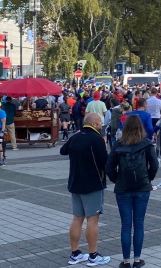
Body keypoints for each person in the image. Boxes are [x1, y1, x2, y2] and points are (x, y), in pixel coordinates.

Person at [105, 115, 158, 268]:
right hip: (142, 187)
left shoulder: (118, 144)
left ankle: (126, 260)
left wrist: (117, 179)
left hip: (123, 188)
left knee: (126, 225)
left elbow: (109, 166)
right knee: (139, 223)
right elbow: (154, 165)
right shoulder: (146, 143)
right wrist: (148, 179)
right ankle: (137, 259)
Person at [60, 112, 110, 267]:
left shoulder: (76, 136)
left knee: (77, 218)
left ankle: (75, 253)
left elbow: (63, 150)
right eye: (100, 122)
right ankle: (93, 255)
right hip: (92, 184)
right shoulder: (97, 138)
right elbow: (105, 162)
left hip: (75, 183)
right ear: (93, 124)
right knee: (92, 220)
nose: (101, 124)